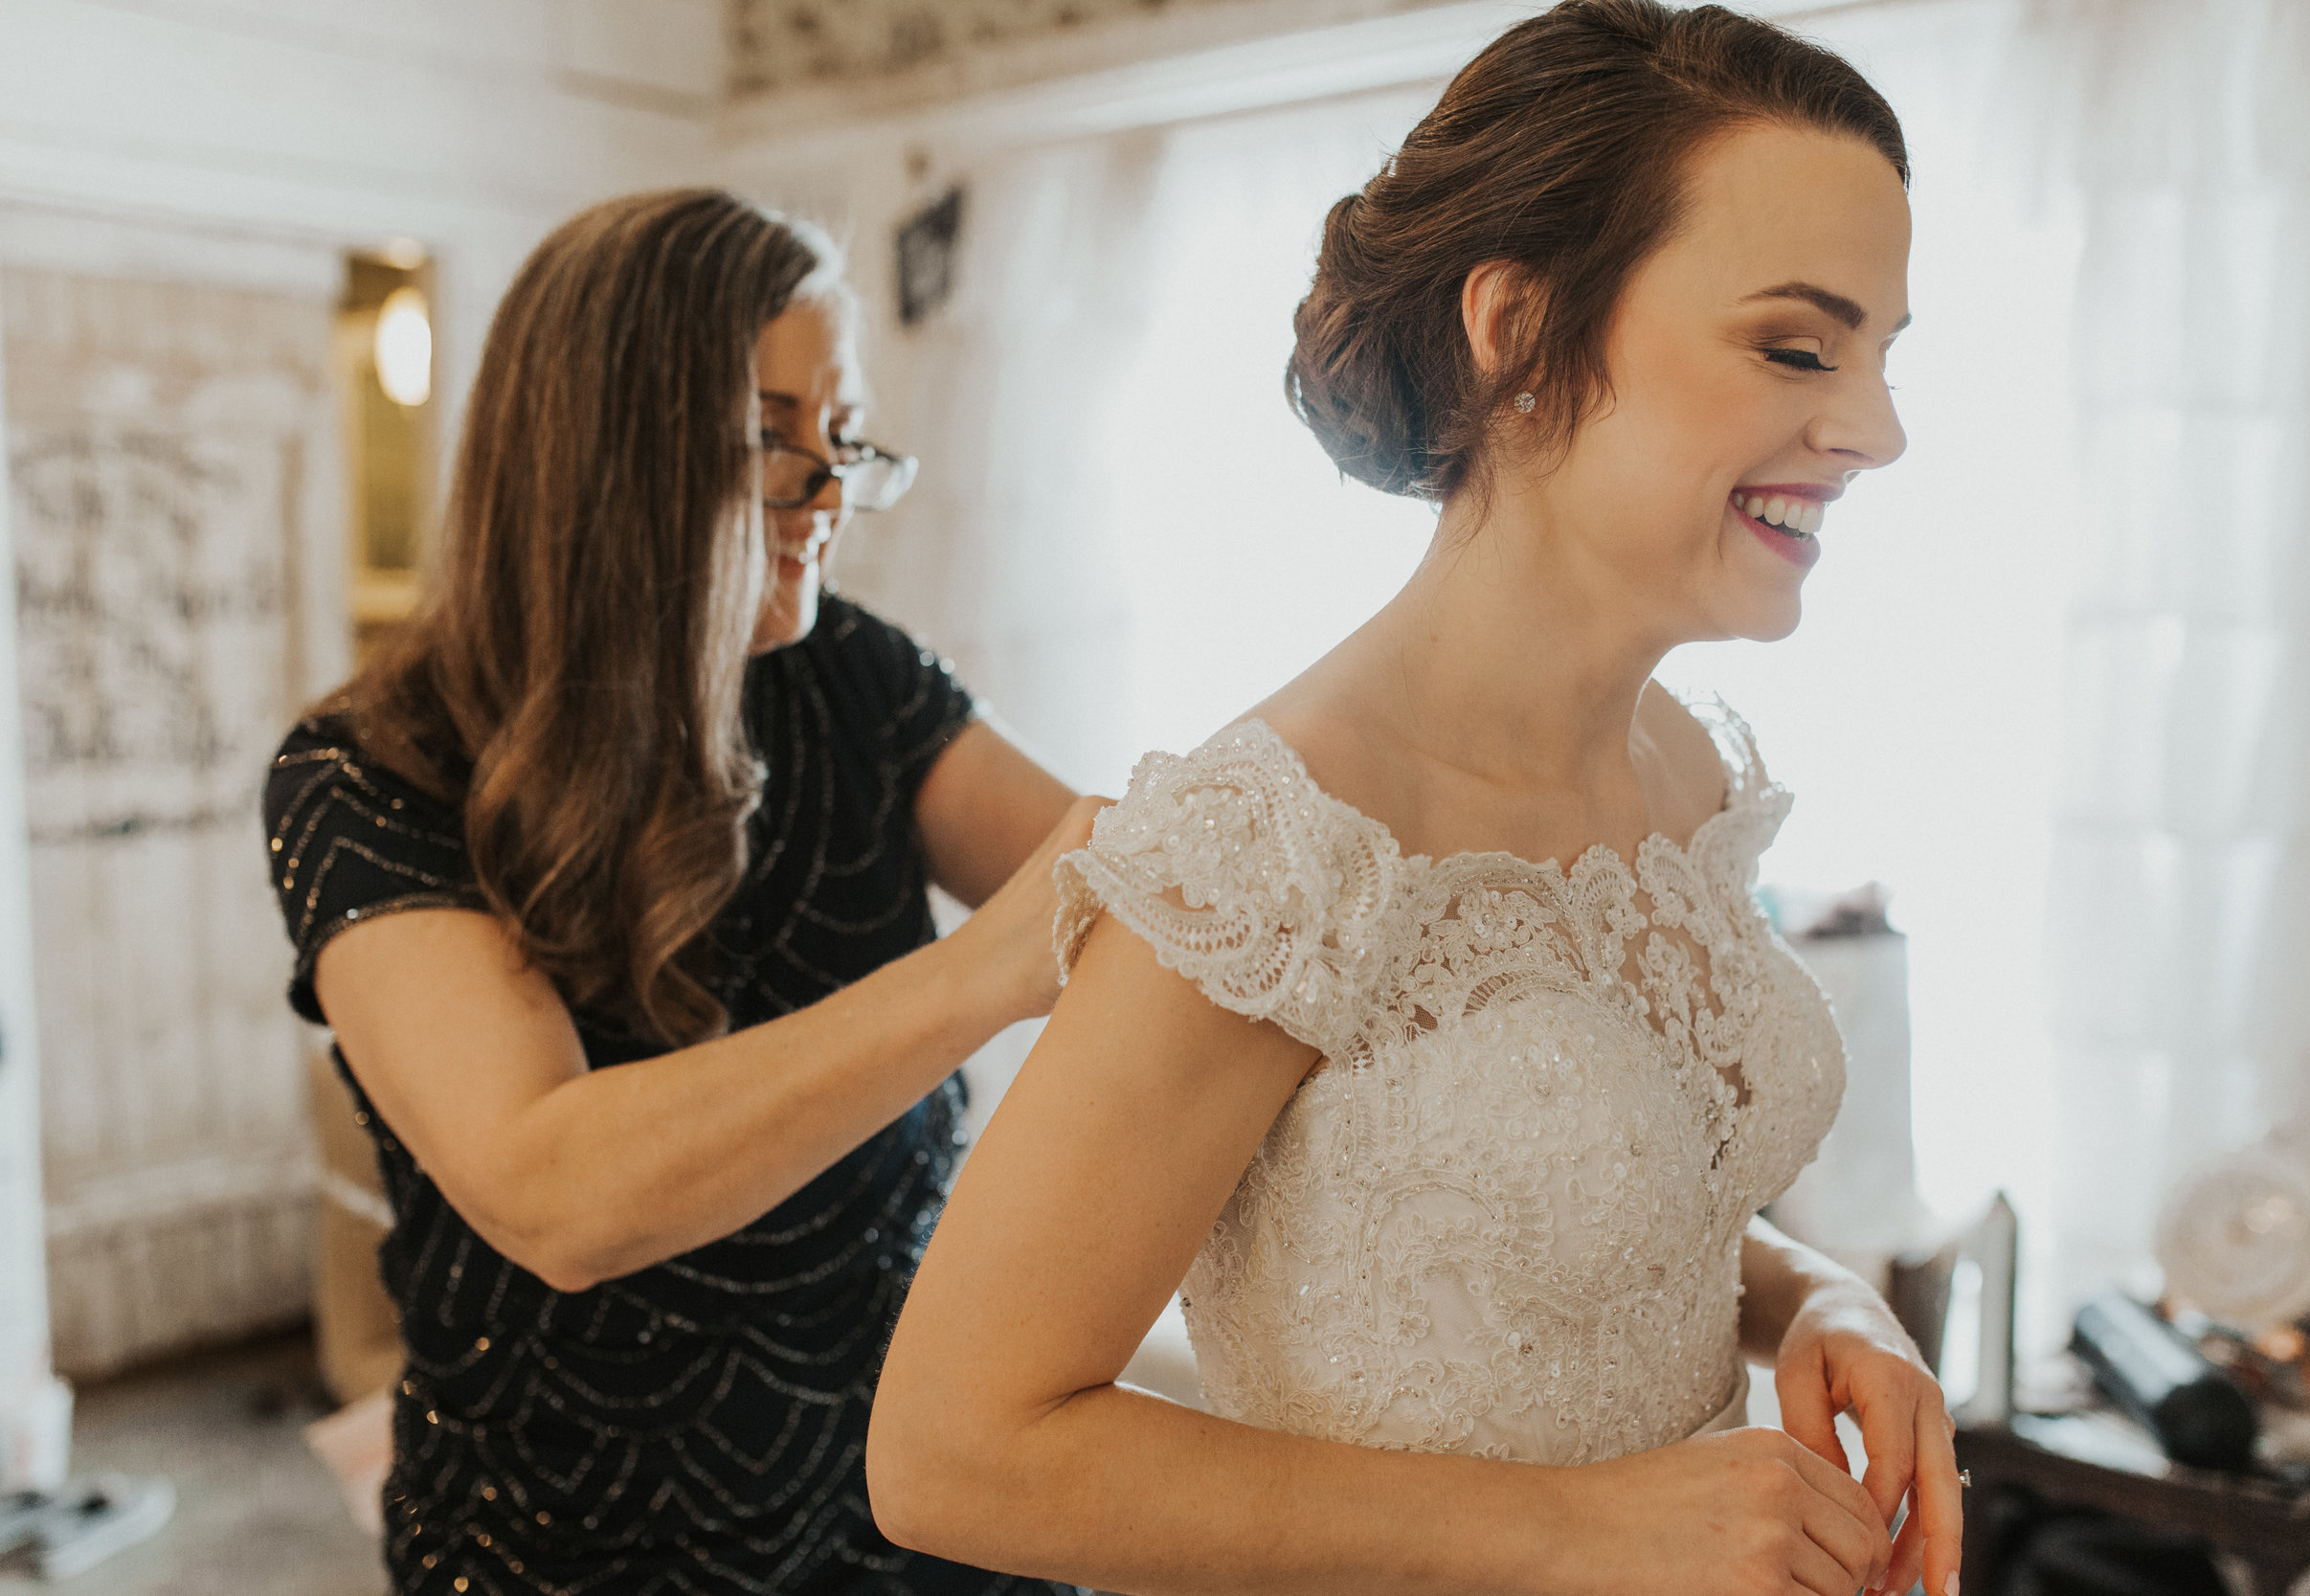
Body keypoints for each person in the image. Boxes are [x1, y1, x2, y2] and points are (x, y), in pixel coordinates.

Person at [866, 5, 1963, 1595]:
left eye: (1881, 355)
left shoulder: (1689, 772)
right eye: (1799, 347)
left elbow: (1604, 1216)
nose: (1876, 429)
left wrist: (1816, 1303)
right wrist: (1590, 1531)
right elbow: (957, 1450)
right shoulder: (1280, 846)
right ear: (1520, 326)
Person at [262, 190, 1094, 1595]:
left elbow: (1136, 892)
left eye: (844, 440)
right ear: (605, 444)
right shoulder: (373, 773)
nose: (829, 497)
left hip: (924, 1504)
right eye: (779, 441)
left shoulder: (857, 680)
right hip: (570, 1544)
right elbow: (558, 1191)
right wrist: (982, 974)